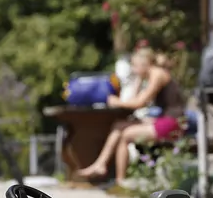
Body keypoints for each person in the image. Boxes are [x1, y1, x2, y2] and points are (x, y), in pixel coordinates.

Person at [75, 48, 185, 185]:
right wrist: (138, 79)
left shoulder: (157, 74)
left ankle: (120, 180)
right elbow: (134, 99)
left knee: (125, 135)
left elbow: (139, 103)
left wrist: (116, 101)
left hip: (173, 123)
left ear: (144, 64)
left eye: (134, 66)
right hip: (165, 120)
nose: (133, 70)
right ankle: (101, 164)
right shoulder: (151, 74)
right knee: (119, 125)